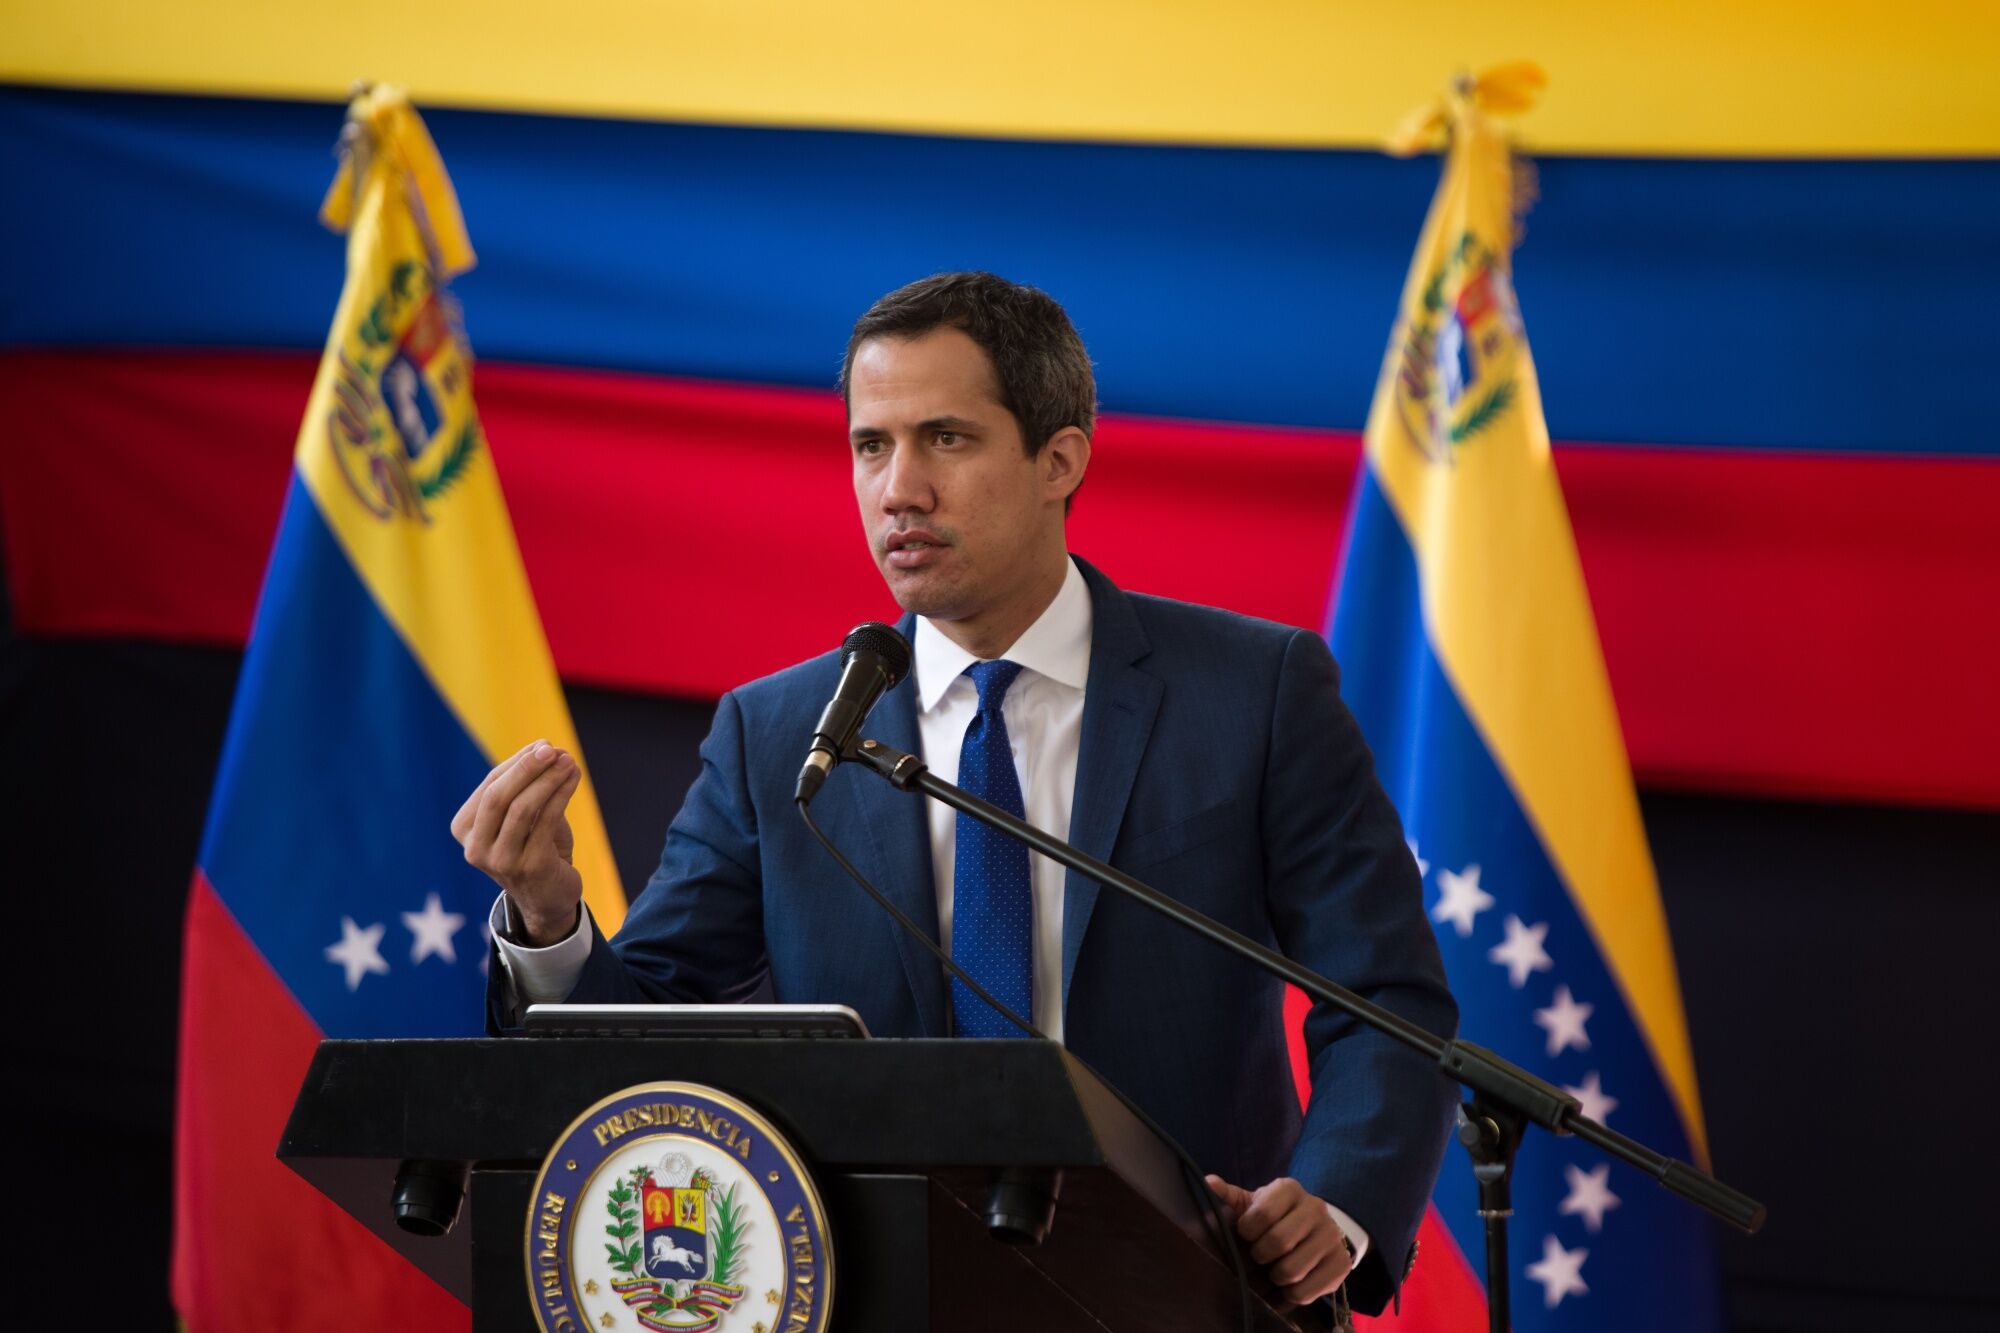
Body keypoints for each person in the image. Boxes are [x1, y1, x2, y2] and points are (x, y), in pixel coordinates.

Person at [453, 272, 1458, 1314]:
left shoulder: (1253, 693)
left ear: (1057, 460)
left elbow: (1383, 995)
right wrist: (547, 916)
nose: (899, 490)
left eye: (945, 438)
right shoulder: (779, 734)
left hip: (1194, 1289)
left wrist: (1332, 1203)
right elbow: (639, 1037)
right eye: (868, 446)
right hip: (878, 1292)